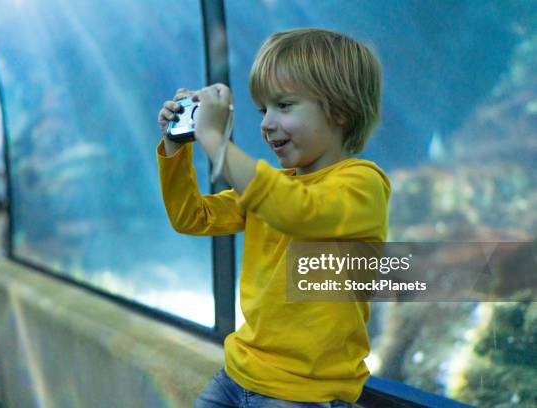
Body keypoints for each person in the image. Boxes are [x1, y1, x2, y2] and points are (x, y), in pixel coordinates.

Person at [157, 28, 390, 407]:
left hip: (302, 394)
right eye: (263, 109)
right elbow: (192, 217)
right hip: (236, 376)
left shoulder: (362, 186)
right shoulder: (271, 188)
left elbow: (297, 211)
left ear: (341, 111)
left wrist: (216, 140)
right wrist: (175, 147)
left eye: (283, 106)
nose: (265, 123)